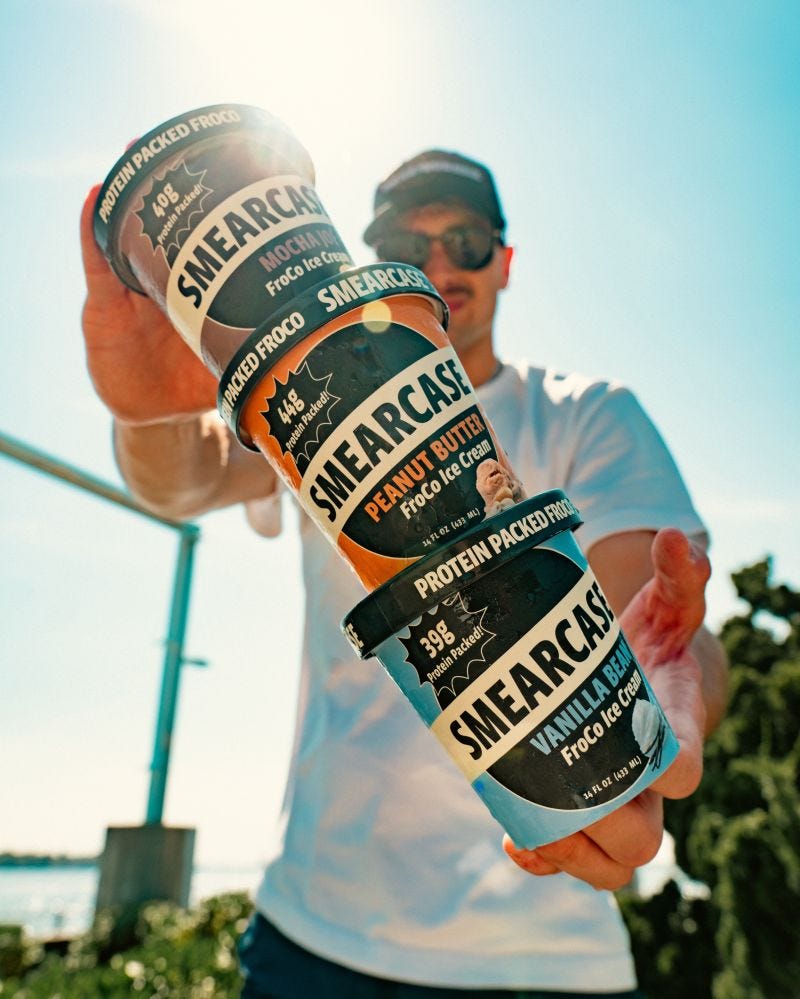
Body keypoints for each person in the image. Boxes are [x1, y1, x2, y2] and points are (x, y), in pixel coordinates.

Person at [79, 148, 728, 998]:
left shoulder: (584, 412)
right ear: (368, 254)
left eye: (466, 242)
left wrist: (671, 679)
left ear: (505, 260)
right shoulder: (313, 406)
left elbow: (652, 607)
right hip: (316, 931)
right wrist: (152, 408)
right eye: (405, 243)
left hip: (546, 955)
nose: (440, 264)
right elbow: (184, 481)